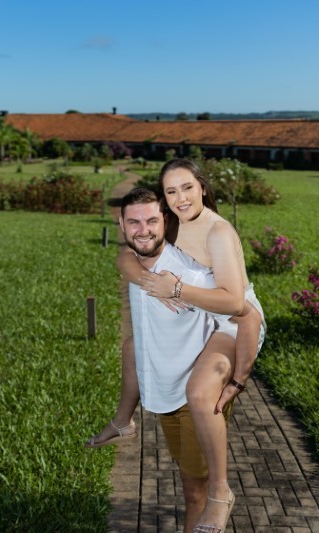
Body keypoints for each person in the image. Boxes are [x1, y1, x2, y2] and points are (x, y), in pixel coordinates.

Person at [87, 159, 266, 532]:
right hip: (209, 309)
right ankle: (122, 421)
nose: (181, 198)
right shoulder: (171, 226)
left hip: (235, 319)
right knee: (134, 346)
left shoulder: (217, 232)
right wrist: (148, 281)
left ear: (202, 186)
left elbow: (240, 308)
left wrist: (177, 290)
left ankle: (221, 491)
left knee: (199, 392)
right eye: (171, 191)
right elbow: (128, 254)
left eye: (187, 187)